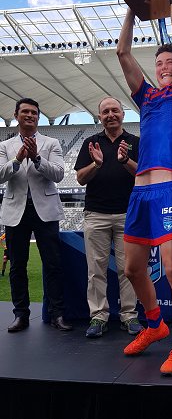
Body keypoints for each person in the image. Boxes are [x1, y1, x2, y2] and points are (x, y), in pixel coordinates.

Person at [117, 0, 172, 375]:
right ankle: (155, 325)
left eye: (170, 62)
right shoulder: (146, 97)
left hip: (170, 189)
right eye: (160, 63)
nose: (166, 65)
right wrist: (133, 8)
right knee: (132, 268)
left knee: (171, 269)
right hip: (140, 195)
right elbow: (121, 51)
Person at [0, 98, 72, 332]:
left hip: (45, 211)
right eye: (25, 112)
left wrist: (38, 159)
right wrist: (19, 159)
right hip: (16, 211)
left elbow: (59, 174)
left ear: (38, 117)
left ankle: (57, 314)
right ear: (16, 115)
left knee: (53, 264)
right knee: (17, 266)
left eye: (34, 112)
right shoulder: (5, 146)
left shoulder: (51, 143)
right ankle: (21, 314)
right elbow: (1, 175)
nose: (30, 115)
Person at [74, 97, 143, 338]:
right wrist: (96, 164)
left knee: (129, 269)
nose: (110, 115)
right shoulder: (91, 142)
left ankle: (129, 315)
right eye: (106, 111)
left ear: (123, 114)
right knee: (96, 270)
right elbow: (81, 178)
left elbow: (143, 175)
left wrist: (125, 161)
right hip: (96, 214)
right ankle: (98, 316)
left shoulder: (135, 142)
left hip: (128, 214)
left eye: (115, 110)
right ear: (100, 116)